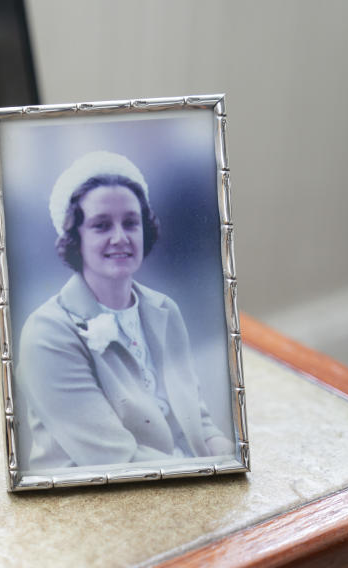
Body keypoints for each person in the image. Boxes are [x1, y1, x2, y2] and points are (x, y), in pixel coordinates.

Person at [17, 150, 233, 469]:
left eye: (131, 223)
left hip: (177, 474)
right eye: (101, 226)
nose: (120, 238)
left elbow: (197, 425)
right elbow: (112, 458)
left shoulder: (164, 310)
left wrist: (232, 455)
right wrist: (207, 471)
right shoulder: (47, 333)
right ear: (74, 237)